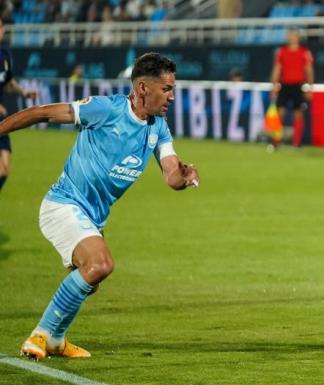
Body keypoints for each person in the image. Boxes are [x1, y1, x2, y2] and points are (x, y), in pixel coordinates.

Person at [0, 52, 200, 360]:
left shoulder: (158, 127)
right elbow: (43, 113)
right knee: (100, 265)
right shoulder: (106, 110)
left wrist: (184, 177)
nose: (172, 96)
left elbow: (171, 174)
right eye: (167, 88)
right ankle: (40, 335)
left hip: (93, 218)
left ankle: (56, 340)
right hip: (63, 205)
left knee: (91, 280)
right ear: (143, 88)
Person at [0, 17, 38, 193]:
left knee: (4, 170)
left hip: (1, 121)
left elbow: (8, 83)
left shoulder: (5, 55)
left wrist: (23, 92)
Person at [270, 28, 314, 148]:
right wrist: (274, 84)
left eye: (294, 36)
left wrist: (310, 87)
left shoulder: (304, 52)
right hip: (285, 85)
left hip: (298, 85)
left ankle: (296, 142)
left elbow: (308, 70)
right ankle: (276, 140)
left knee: (298, 114)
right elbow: (277, 68)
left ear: (298, 38)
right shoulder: (282, 52)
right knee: (280, 113)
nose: (292, 38)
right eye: (290, 36)